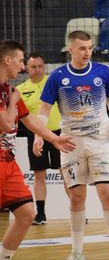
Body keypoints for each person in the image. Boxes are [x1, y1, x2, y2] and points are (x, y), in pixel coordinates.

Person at [37, 30, 109, 260]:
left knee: (107, 193)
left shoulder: (102, 72)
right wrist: (39, 135)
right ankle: (77, 254)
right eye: (82, 48)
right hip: (71, 143)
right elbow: (44, 111)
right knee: (76, 197)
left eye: (89, 48)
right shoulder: (57, 77)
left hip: (100, 142)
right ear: (71, 50)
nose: (87, 52)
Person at [0, 40, 75, 260]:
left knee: (26, 214)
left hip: (7, 161)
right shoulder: (9, 93)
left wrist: (54, 138)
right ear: (7, 60)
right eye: (21, 61)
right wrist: (13, 100)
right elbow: (6, 121)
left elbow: (28, 119)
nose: (23, 66)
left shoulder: (8, 90)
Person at [16, 52, 67, 225]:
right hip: (36, 136)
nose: (37, 70)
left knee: (65, 172)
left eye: (40, 66)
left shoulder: (53, 82)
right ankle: (41, 214)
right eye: (33, 67)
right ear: (27, 68)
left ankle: (77, 211)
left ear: (44, 67)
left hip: (60, 133)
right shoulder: (21, 89)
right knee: (39, 174)